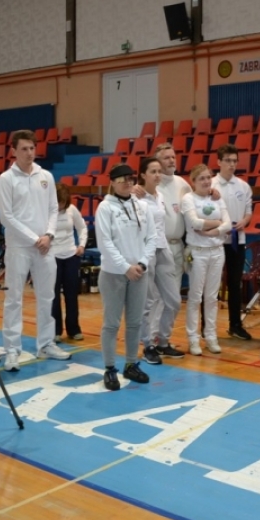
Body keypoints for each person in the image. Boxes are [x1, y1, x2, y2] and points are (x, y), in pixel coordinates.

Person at [0, 129, 68, 371]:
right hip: (19, 247)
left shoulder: (45, 176)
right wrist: (35, 238)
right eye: (24, 149)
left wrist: (48, 235)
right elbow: (6, 217)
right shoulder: (6, 179)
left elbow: (53, 209)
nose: (29, 153)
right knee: (13, 299)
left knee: (47, 296)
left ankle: (46, 344)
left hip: (45, 247)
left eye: (32, 148)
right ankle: (12, 350)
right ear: (13, 151)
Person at [95, 163, 156, 390]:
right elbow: (105, 243)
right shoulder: (105, 208)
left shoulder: (142, 206)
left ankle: (131, 364)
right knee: (111, 324)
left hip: (139, 273)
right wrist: (125, 267)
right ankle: (110, 368)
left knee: (135, 322)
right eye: (121, 180)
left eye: (130, 179)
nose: (127, 183)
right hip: (113, 273)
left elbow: (152, 237)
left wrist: (142, 263)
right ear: (112, 182)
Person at [133, 143, 192, 358]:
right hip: (145, 253)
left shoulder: (160, 196)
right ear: (143, 175)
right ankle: (148, 344)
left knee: (173, 300)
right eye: (154, 171)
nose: (158, 174)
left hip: (164, 250)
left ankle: (163, 341)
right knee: (148, 302)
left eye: (159, 171)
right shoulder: (136, 197)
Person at [182, 164, 232, 355]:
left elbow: (229, 224)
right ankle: (193, 338)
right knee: (195, 297)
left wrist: (214, 230)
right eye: (201, 178)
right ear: (193, 181)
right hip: (197, 252)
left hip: (217, 251)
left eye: (208, 177)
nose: (206, 181)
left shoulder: (217, 197)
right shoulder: (188, 199)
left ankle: (211, 336)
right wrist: (218, 223)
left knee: (212, 297)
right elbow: (195, 223)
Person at [212, 144, 254, 341]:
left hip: (237, 240)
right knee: (211, 285)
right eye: (228, 160)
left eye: (234, 161)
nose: (232, 164)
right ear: (219, 162)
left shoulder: (243, 186)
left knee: (235, 283)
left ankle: (235, 325)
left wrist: (244, 222)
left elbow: (248, 213)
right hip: (215, 240)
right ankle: (206, 327)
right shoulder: (211, 185)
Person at [51, 184, 88, 342]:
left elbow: (82, 228)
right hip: (52, 257)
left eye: (63, 202)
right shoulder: (46, 212)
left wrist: (82, 245)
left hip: (71, 257)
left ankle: (74, 329)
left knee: (71, 295)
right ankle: (55, 331)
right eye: (58, 202)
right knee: (53, 296)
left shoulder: (72, 210)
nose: (60, 205)